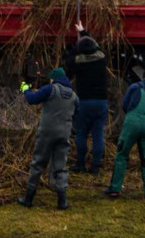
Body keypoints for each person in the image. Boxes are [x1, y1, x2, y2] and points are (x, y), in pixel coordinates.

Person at [17, 67, 79, 210]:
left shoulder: (50, 89)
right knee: (60, 166)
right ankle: (62, 201)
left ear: (53, 79)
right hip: (64, 134)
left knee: (38, 163)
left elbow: (31, 100)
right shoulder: (74, 96)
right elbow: (77, 115)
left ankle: (28, 198)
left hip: (47, 133)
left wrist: (25, 88)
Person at [105, 69, 145, 199]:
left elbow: (124, 105)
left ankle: (115, 189)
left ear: (143, 78)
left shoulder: (134, 87)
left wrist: (132, 115)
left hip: (131, 123)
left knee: (122, 155)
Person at [65, 20, 109, 174]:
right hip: (101, 103)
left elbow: (69, 59)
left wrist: (76, 47)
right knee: (98, 135)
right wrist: (84, 33)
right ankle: (96, 166)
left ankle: (80, 164)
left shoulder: (77, 62)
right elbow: (95, 46)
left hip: (84, 103)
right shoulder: (101, 58)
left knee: (81, 134)